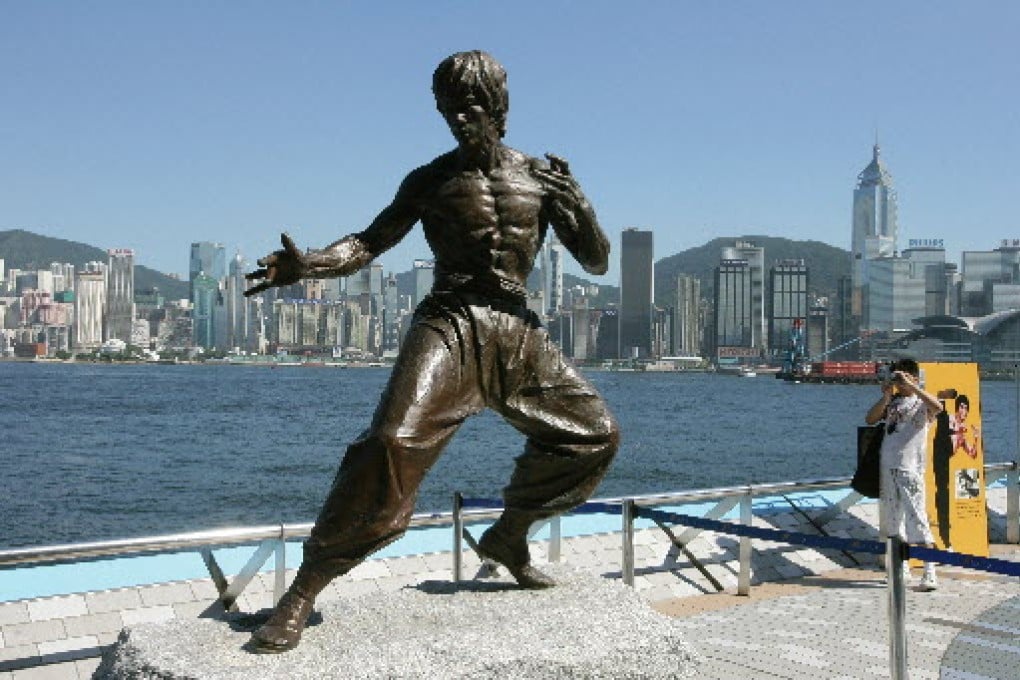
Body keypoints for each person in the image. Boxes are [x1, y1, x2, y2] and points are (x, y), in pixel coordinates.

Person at [242, 50, 619, 653]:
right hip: (450, 321)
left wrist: (579, 203)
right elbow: (369, 243)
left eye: (470, 105)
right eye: (448, 108)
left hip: (516, 326)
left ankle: (509, 536)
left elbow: (596, 260)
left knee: (592, 435)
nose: (458, 118)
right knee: (389, 444)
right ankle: (303, 593)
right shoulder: (430, 180)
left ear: (498, 107)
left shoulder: (541, 179)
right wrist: (310, 262)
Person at [865, 358, 942, 591]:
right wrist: (887, 395)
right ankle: (901, 569)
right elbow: (870, 419)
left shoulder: (921, 403)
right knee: (893, 522)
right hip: (887, 467)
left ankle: (930, 572)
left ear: (915, 378)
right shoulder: (893, 402)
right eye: (898, 377)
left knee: (917, 519)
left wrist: (913, 386)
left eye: (904, 377)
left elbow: (938, 407)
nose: (900, 382)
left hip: (910, 469)